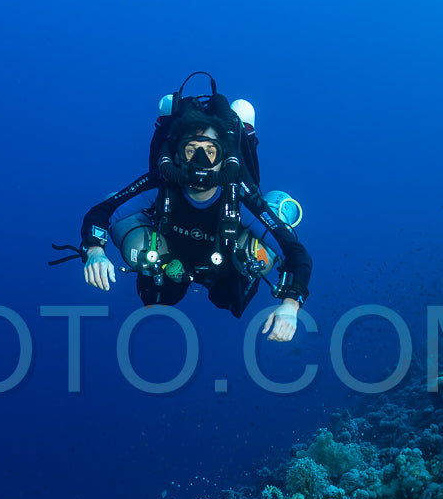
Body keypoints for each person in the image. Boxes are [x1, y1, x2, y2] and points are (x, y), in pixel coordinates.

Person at [75, 76, 313, 342]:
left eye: (210, 152)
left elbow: (295, 251)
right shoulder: (161, 185)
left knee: (250, 268)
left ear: (224, 159)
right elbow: (101, 211)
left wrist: (290, 305)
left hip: (227, 260)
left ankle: (245, 130)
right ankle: (210, 122)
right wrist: (95, 250)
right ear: (177, 156)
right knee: (150, 278)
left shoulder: (239, 197)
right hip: (168, 261)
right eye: (191, 151)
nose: (201, 162)